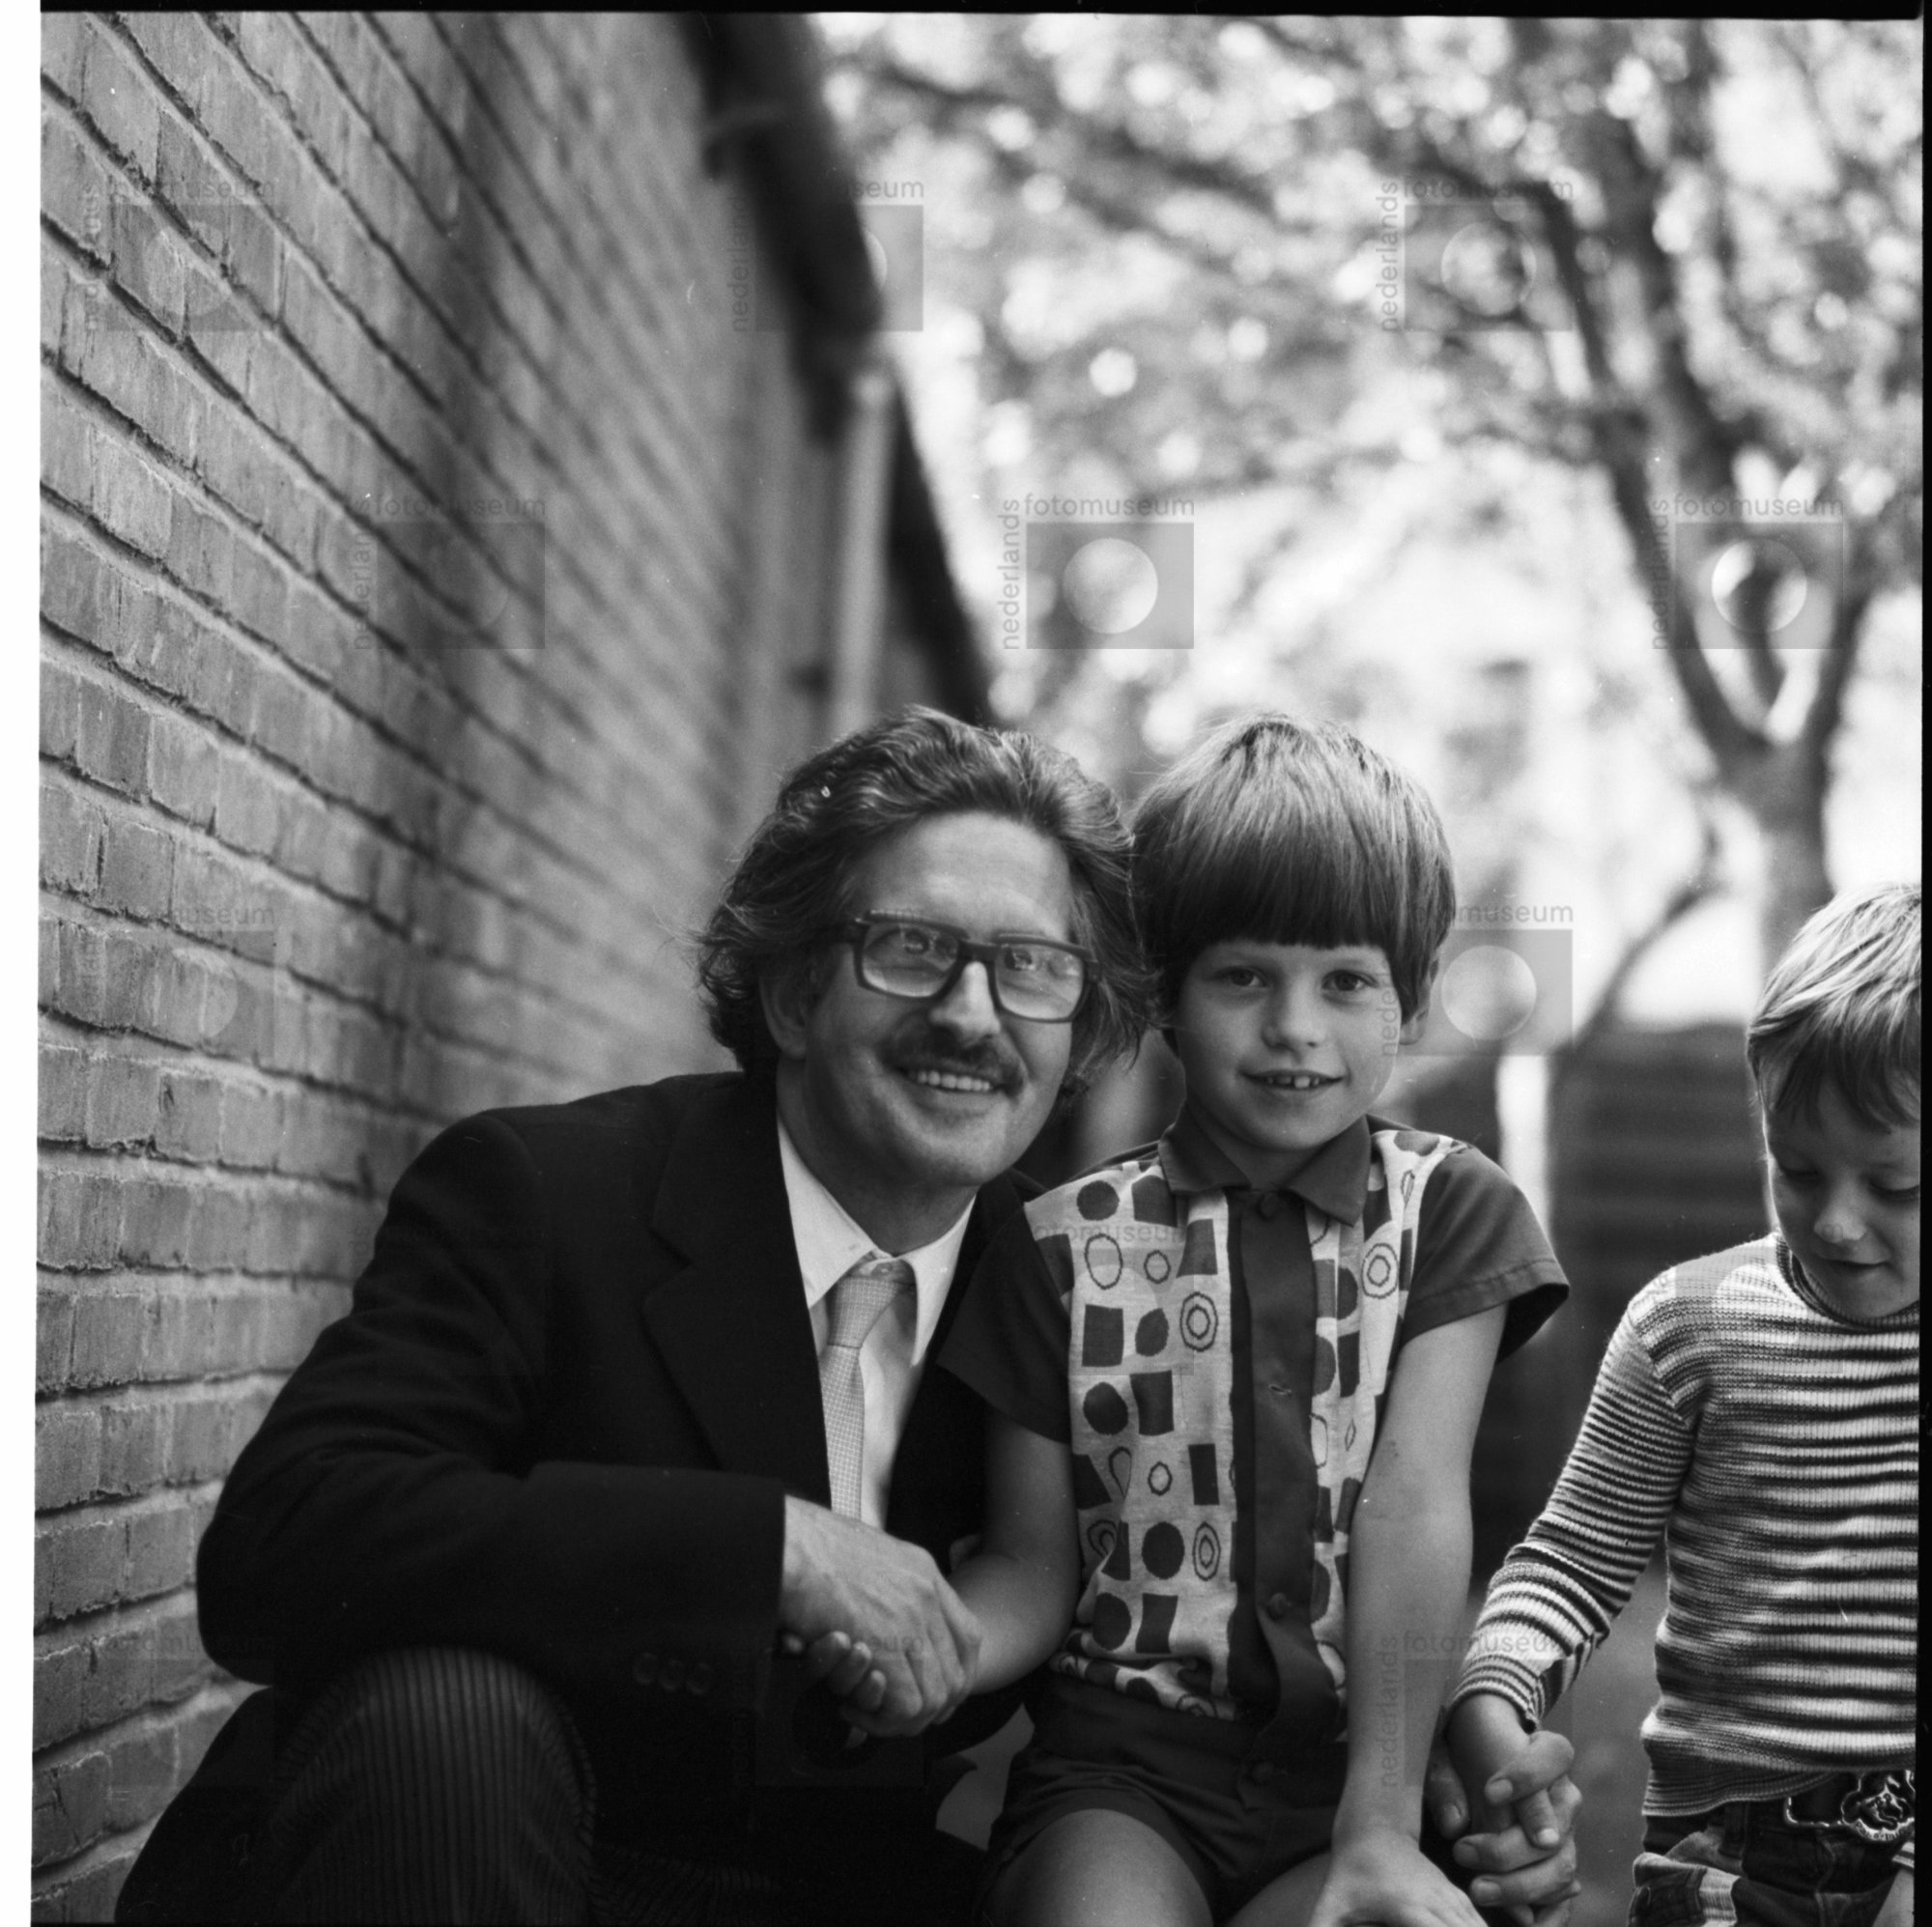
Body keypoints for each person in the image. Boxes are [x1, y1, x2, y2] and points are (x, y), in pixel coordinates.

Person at [119, 707, 1151, 1925]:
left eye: (1030, 967)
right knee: (440, 1718)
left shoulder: (1085, 1283)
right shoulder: (544, 1196)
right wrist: (768, 1552)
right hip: (502, 1860)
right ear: (792, 994)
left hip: (850, 1895)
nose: (972, 1016)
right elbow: (280, 1548)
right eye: (911, 949)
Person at [811, 716, 1578, 1927]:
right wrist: (927, 1650)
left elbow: (1414, 1507)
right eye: (1242, 978)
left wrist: (1381, 1833)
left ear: (1411, 998)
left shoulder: (1451, 1215)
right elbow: (1031, 1565)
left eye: (1345, 982)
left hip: (1353, 1786)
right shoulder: (1057, 1246)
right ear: (1161, 991)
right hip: (1121, 1782)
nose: (1294, 1027)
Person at [1445, 883, 1918, 1927]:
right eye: (1798, 1170)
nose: (1837, 1223)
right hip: (1724, 1863)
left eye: (1896, 1188)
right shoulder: (1686, 1328)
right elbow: (1572, 1560)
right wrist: (1491, 1694)